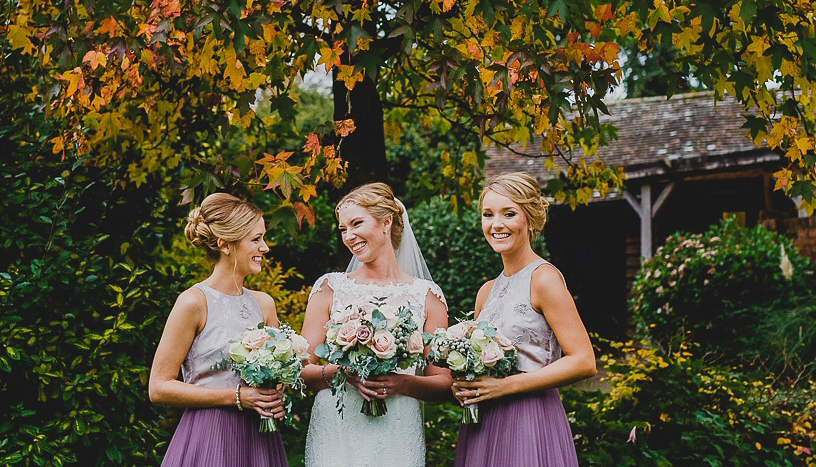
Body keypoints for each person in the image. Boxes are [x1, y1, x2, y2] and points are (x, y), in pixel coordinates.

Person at [451, 172, 597, 467]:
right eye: (488, 214)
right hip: (484, 421)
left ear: (529, 219)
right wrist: (463, 383)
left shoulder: (544, 279)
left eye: (508, 213)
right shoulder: (486, 292)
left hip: (529, 418)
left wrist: (507, 386)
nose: (496, 224)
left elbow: (583, 360)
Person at [301, 183, 450, 467]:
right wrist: (341, 372)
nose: (349, 236)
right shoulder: (329, 287)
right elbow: (302, 370)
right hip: (337, 429)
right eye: (343, 229)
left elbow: (443, 383)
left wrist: (402, 382)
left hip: (397, 430)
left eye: (357, 223)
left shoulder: (427, 296)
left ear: (387, 221)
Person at [148, 193, 288, 467]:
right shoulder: (193, 302)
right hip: (209, 434)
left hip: (259, 439)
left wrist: (277, 395)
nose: (265, 247)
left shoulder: (264, 304)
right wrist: (236, 397)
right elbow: (159, 387)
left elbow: (281, 373)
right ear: (225, 245)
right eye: (256, 239)